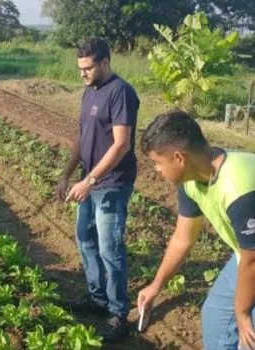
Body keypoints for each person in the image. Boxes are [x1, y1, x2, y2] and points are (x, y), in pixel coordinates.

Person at [137, 110, 255, 350]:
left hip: (252, 257)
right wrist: (155, 286)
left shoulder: (239, 188)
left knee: (248, 340)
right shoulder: (191, 179)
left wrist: (242, 314)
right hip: (248, 254)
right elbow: (182, 238)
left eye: (158, 163)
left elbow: (253, 261)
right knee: (216, 319)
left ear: (179, 157)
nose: (157, 171)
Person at [55, 37, 140, 342]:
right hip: (87, 180)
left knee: (109, 247)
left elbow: (121, 145)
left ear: (105, 62)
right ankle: (97, 299)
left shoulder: (121, 92)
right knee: (84, 238)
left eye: (88, 68)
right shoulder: (89, 93)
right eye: (80, 68)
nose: (83, 74)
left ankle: (118, 312)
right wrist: (67, 175)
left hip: (112, 184)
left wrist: (88, 182)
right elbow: (81, 136)